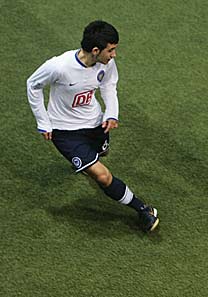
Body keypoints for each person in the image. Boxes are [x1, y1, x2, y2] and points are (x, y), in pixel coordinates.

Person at [27, 20, 159, 232]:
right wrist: (43, 121)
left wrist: (111, 113)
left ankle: (86, 162)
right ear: (95, 50)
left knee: (101, 154)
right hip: (65, 132)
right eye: (111, 50)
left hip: (96, 123)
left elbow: (108, 85)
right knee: (102, 176)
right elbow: (32, 85)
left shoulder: (106, 63)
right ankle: (143, 209)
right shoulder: (59, 67)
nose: (114, 55)